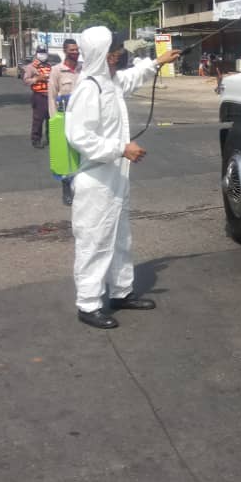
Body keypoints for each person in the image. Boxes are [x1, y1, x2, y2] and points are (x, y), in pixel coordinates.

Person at [65, 26, 180, 330]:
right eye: (115, 48)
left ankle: (120, 292)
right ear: (102, 54)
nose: (120, 52)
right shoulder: (89, 88)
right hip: (95, 178)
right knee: (94, 239)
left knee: (119, 237)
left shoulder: (110, 81)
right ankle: (88, 304)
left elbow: (131, 77)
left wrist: (158, 62)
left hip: (115, 176)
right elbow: (79, 137)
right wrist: (120, 148)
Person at [48, 39, 82, 206]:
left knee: (82, 154)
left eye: (77, 49)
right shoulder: (56, 71)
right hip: (65, 120)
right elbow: (52, 97)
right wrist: (55, 122)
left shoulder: (83, 70)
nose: (75, 52)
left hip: (83, 119)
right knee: (66, 156)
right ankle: (66, 189)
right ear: (65, 51)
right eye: (72, 50)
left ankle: (82, 189)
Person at [24, 47, 53, 146]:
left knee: (51, 119)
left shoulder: (49, 66)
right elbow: (26, 81)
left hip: (50, 96)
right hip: (39, 96)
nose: (43, 54)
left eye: (44, 52)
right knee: (38, 119)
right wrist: (37, 78)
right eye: (41, 52)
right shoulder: (31, 67)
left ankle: (50, 139)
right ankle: (36, 139)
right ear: (36, 54)